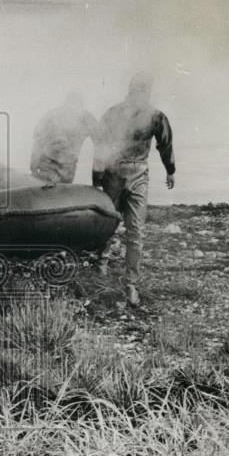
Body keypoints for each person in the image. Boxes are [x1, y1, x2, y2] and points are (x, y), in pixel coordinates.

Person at [91, 73, 176, 308]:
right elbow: (165, 143)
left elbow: (100, 144)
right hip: (138, 172)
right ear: (147, 91)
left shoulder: (113, 112)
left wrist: (96, 177)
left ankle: (101, 266)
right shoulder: (155, 115)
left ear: (129, 89)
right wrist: (170, 171)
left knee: (109, 222)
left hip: (113, 171)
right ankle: (130, 285)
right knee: (135, 231)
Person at [29, 92, 101, 185]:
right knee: (45, 190)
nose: (71, 110)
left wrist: (98, 171)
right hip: (47, 163)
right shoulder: (52, 116)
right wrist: (34, 164)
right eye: (70, 106)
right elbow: (38, 139)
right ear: (65, 104)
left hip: (67, 166)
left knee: (61, 192)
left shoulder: (86, 118)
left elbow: (100, 141)